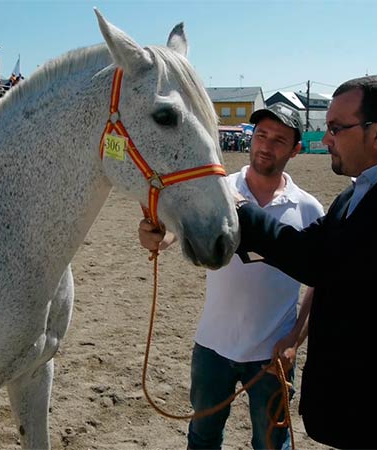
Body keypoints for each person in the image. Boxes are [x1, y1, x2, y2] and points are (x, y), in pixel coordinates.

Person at [202, 75, 377, 449]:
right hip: (366, 406)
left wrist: (237, 209)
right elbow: (307, 247)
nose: (326, 140)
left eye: (336, 129)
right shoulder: (360, 192)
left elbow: (318, 262)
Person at [139, 103, 324, 449]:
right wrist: (157, 237)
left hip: (272, 352)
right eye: (261, 135)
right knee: (203, 438)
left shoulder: (309, 208)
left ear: (296, 149)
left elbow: (320, 280)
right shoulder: (219, 189)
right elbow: (178, 231)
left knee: (271, 443)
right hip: (213, 347)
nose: (265, 146)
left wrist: (294, 342)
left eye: (279, 140)